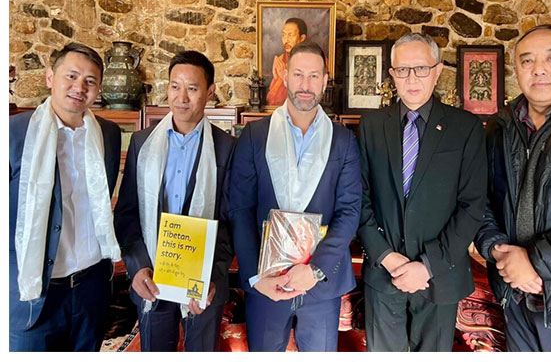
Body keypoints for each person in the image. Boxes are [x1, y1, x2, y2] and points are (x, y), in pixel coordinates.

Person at [357, 33, 487, 352]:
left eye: (421, 69)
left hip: (439, 275)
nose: (412, 78)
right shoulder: (371, 126)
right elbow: (358, 199)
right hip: (384, 273)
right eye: (402, 70)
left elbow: (472, 206)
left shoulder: (465, 127)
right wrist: (386, 257)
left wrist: (427, 265)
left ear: (437, 71)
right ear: (392, 74)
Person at [229, 41, 361, 351]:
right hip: (267, 281)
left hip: (321, 284)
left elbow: (349, 211)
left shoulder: (343, 141)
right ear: (285, 76)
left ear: (325, 81)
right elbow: (240, 209)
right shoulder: (255, 136)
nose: (305, 85)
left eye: (314, 76)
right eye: (298, 74)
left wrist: (315, 270)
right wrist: (255, 278)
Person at [474, 25, 551, 352]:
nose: (538, 69)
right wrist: (496, 249)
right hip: (515, 296)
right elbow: (479, 198)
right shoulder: (500, 127)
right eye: (527, 61)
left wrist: (535, 262)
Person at [114, 50, 236, 351]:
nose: (181, 98)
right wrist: (137, 267)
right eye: (174, 86)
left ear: (210, 92)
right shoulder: (143, 143)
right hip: (151, 278)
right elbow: (127, 214)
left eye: (192, 88)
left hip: (203, 284)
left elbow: (231, 221)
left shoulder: (227, 148)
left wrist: (211, 277)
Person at [9, 42, 122, 351]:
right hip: (33, 292)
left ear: (98, 89)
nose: (79, 87)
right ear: (50, 77)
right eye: (71, 76)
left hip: (91, 288)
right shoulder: (14, 133)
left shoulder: (109, 135)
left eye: (90, 81)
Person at [266, 18, 307, 106]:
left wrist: (285, 78)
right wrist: (276, 78)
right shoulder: (281, 60)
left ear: (302, 38)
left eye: (290, 35)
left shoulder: (311, 60)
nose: (286, 40)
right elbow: (272, 98)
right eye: (283, 35)